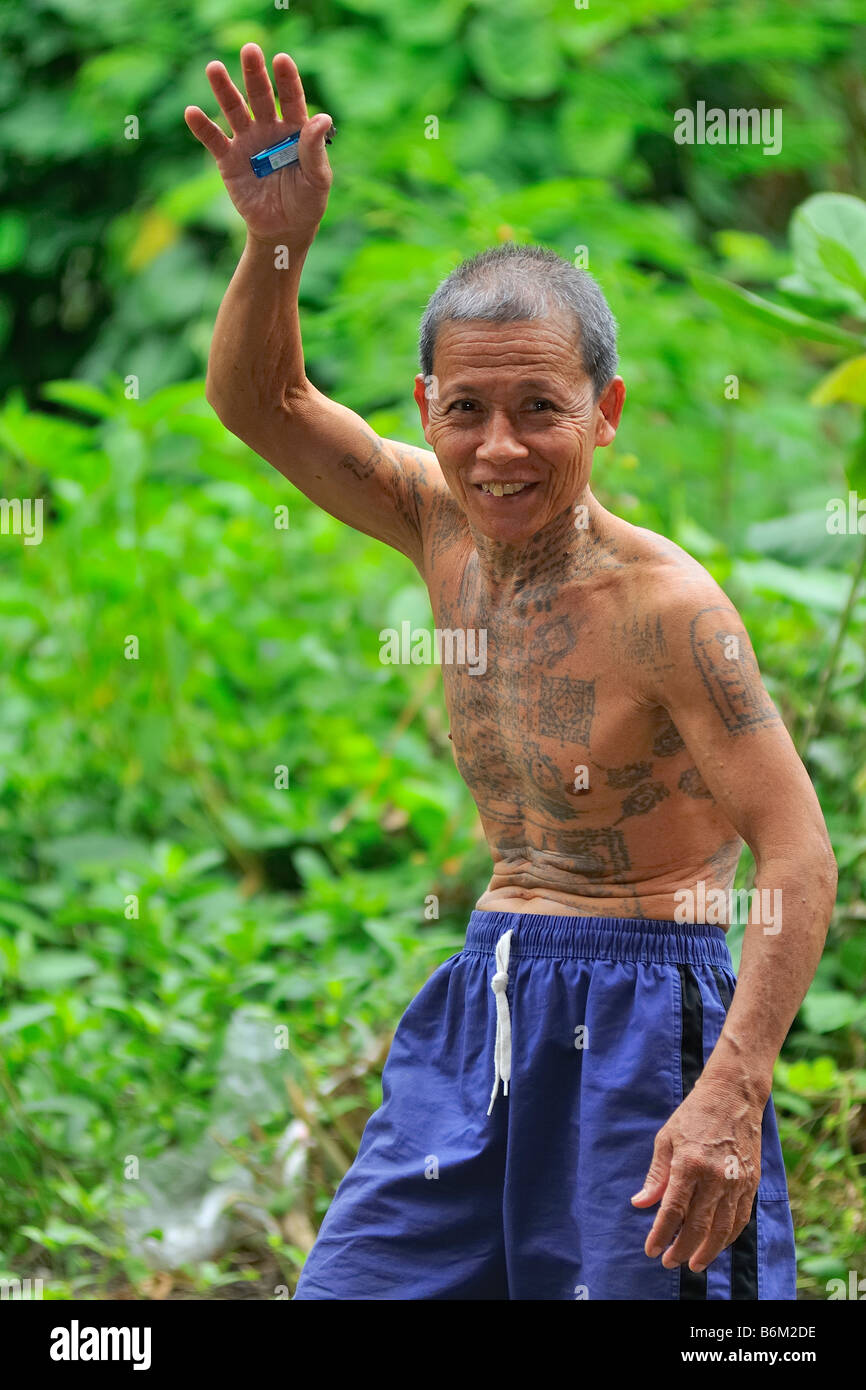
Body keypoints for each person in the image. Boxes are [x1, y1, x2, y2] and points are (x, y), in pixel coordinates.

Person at [185, 44, 837, 1301]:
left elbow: (798, 853)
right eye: (465, 409)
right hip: (488, 984)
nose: (498, 448)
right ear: (425, 406)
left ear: (604, 411)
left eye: (538, 407)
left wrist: (731, 1089)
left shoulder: (670, 612)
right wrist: (275, 237)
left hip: (652, 1013)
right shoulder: (434, 518)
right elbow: (260, 402)